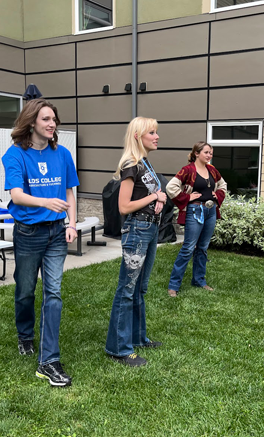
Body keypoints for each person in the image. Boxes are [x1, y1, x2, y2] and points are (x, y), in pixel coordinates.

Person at [2, 98, 79, 387]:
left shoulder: (62, 154)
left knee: (54, 292)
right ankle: (25, 335)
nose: (52, 124)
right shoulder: (15, 155)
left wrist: (72, 223)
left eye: (54, 119)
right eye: (46, 119)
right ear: (32, 121)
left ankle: (48, 360)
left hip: (57, 233)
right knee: (25, 291)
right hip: (28, 234)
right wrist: (46, 201)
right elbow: (17, 195)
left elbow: (71, 191)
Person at [105, 117, 166, 367]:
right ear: (137, 136)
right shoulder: (131, 165)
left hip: (150, 228)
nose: (157, 136)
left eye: (156, 132)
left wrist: (158, 199)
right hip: (137, 229)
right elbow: (123, 206)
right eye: (151, 132)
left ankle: (138, 337)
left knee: (140, 288)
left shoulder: (145, 164)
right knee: (127, 289)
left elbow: (150, 197)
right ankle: (118, 348)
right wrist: (154, 196)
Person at [166, 142, 227, 297]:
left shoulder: (212, 170)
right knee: (188, 248)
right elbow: (171, 187)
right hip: (195, 211)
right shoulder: (188, 170)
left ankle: (199, 280)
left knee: (203, 248)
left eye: (211, 153)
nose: (209, 155)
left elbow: (222, 185)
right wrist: (187, 197)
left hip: (211, 211)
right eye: (206, 152)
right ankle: (174, 285)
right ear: (197, 153)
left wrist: (217, 195)